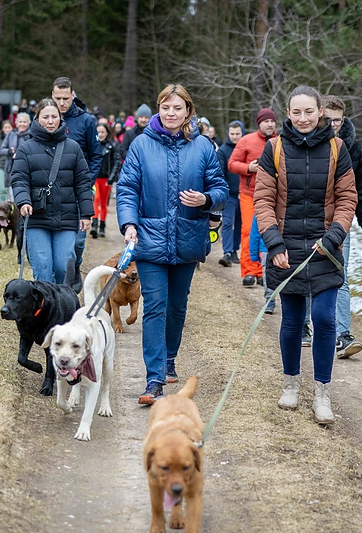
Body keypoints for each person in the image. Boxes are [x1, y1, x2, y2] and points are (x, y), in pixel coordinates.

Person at [116, 84, 228, 405]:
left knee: (177, 306)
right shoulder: (140, 145)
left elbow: (220, 188)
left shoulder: (204, 147)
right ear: (158, 109)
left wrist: (205, 198)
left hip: (188, 238)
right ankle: (153, 380)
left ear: (188, 112)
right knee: (155, 305)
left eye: (177, 108)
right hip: (149, 239)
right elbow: (127, 189)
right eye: (166, 107)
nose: (171, 113)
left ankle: (169, 359)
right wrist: (129, 224)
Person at [253, 85, 357, 425]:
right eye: (296, 112)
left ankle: (322, 392)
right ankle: (291, 383)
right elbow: (263, 201)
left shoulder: (338, 148)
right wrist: (274, 243)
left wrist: (335, 235)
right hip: (286, 249)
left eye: (308, 112)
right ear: (288, 113)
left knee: (326, 319)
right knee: (293, 320)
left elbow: (347, 199)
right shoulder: (274, 149)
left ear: (320, 113)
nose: (302, 118)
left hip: (325, 247)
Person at [11, 98, 93, 284]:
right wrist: (23, 201)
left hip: (66, 217)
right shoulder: (26, 148)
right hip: (37, 217)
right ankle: (45, 310)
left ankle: (63, 307)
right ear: (37, 118)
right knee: (43, 268)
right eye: (45, 117)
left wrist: (86, 213)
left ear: (60, 118)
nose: (50, 121)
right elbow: (19, 179)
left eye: (54, 116)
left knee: (63, 267)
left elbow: (82, 182)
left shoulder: (73, 147)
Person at [322, 95, 362, 359]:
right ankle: (306, 327)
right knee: (308, 275)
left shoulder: (355, 151)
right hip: (309, 220)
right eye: (328, 120)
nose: (333, 125)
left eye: (337, 121)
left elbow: (360, 190)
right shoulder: (307, 144)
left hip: (342, 221)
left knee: (340, 276)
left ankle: (343, 334)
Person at [51, 77, 103, 279]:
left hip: (80, 189)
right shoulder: (47, 117)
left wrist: (86, 182)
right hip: (54, 190)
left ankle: (75, 266)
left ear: (73, 96)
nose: (62, 103)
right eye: (57, 98)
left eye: (65, 98)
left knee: (78, 241)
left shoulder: (87, 121)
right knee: (60, 240)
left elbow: (96, 155)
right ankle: (65, 278)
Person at [228, 107, 278, 287]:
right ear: (259, 123)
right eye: (266, 121)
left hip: (273, 196)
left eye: (272, 121)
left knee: (269, 234)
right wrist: (249, 168)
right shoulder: (246, 141)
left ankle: (264, 270)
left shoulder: (280, 141)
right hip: (249, 194)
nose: (270, 124)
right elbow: (232, 164)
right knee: (248, 231)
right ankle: (249, 271)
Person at [215, 121, 245, 267]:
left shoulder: (246, 148)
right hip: (230, 194)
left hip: (244, 193)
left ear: (242, 133)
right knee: (227, 222)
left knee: (240, 224)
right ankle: (227, 251)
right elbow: (221, 172)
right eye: (232, 134)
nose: (234, 137)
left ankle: (234, 249)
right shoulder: (223, 150)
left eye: (237, 134)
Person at [91, 122, 120, 239]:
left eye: (103, 132)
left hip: (106, 179)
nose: (100, 134)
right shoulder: (92, 145)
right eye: (98, 132)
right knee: (95, 200)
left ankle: (102, 226)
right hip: (95, 178)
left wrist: (112, 178)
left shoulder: (112, 145)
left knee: (103, 203)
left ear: (107, 133)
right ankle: (94, 224)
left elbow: (116, 162)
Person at [0, 113, 32, 203]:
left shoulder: (31, 135)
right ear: (16, 123)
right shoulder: (11, 135)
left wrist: (21, 155)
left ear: (29, 123)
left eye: (25, 122)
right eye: (20, 122)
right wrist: (9, 151)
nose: (22, 124)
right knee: (13, 194)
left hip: (27, 168)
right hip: (11, 168)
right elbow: (1, 150)